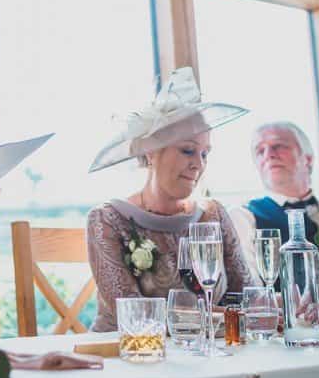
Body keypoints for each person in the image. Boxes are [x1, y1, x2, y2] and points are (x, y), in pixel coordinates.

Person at [85, 68, 256, 332]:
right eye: (188, 150)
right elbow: (133, 317)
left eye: (205, 154)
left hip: (208, 357)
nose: (198, 164)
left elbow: (248, 296)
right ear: (151, 152)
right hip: (128, 358)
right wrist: (224, 318)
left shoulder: (213, 214)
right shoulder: (108, 218)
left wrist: (298, 304)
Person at [230, 122, 319, 282]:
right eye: (260, 151)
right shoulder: (244, 217)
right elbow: (251, 291)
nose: (268, 155)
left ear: (307, 159)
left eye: (278, 146)